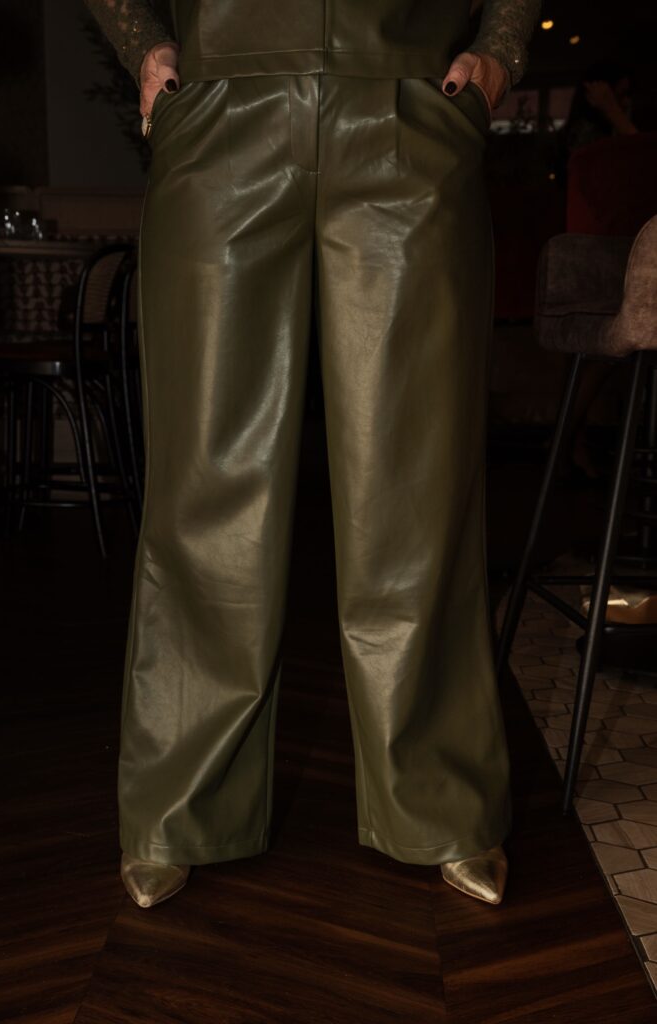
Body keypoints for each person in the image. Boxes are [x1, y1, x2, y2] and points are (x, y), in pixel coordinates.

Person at [83, 0, 541, 909]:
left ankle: (439, 800)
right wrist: (144, 48)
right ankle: (181, 808)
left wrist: (500, 50)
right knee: (206, 486)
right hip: (222, 110)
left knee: (416, 487)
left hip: (408, 105)